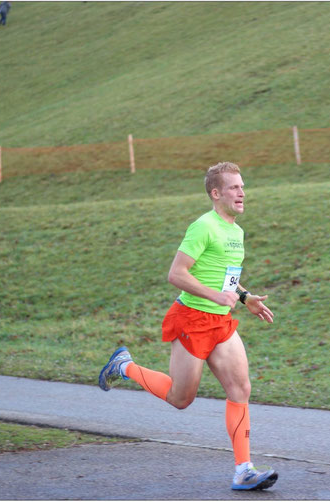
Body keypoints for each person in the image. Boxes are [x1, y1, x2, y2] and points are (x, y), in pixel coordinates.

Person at [98, 161, 278, 491]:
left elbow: (227, 277)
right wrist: (215, 296)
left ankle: (243, 469)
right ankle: (124, 366)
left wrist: (244, 296)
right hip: (191, 319)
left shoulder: (236, 232)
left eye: (242, 186)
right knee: (181, 398)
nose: (242, 192)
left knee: (241, 389)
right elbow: (176, 274)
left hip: (221, 323)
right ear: (216, 193)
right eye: (234, 187)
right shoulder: (203, 226)